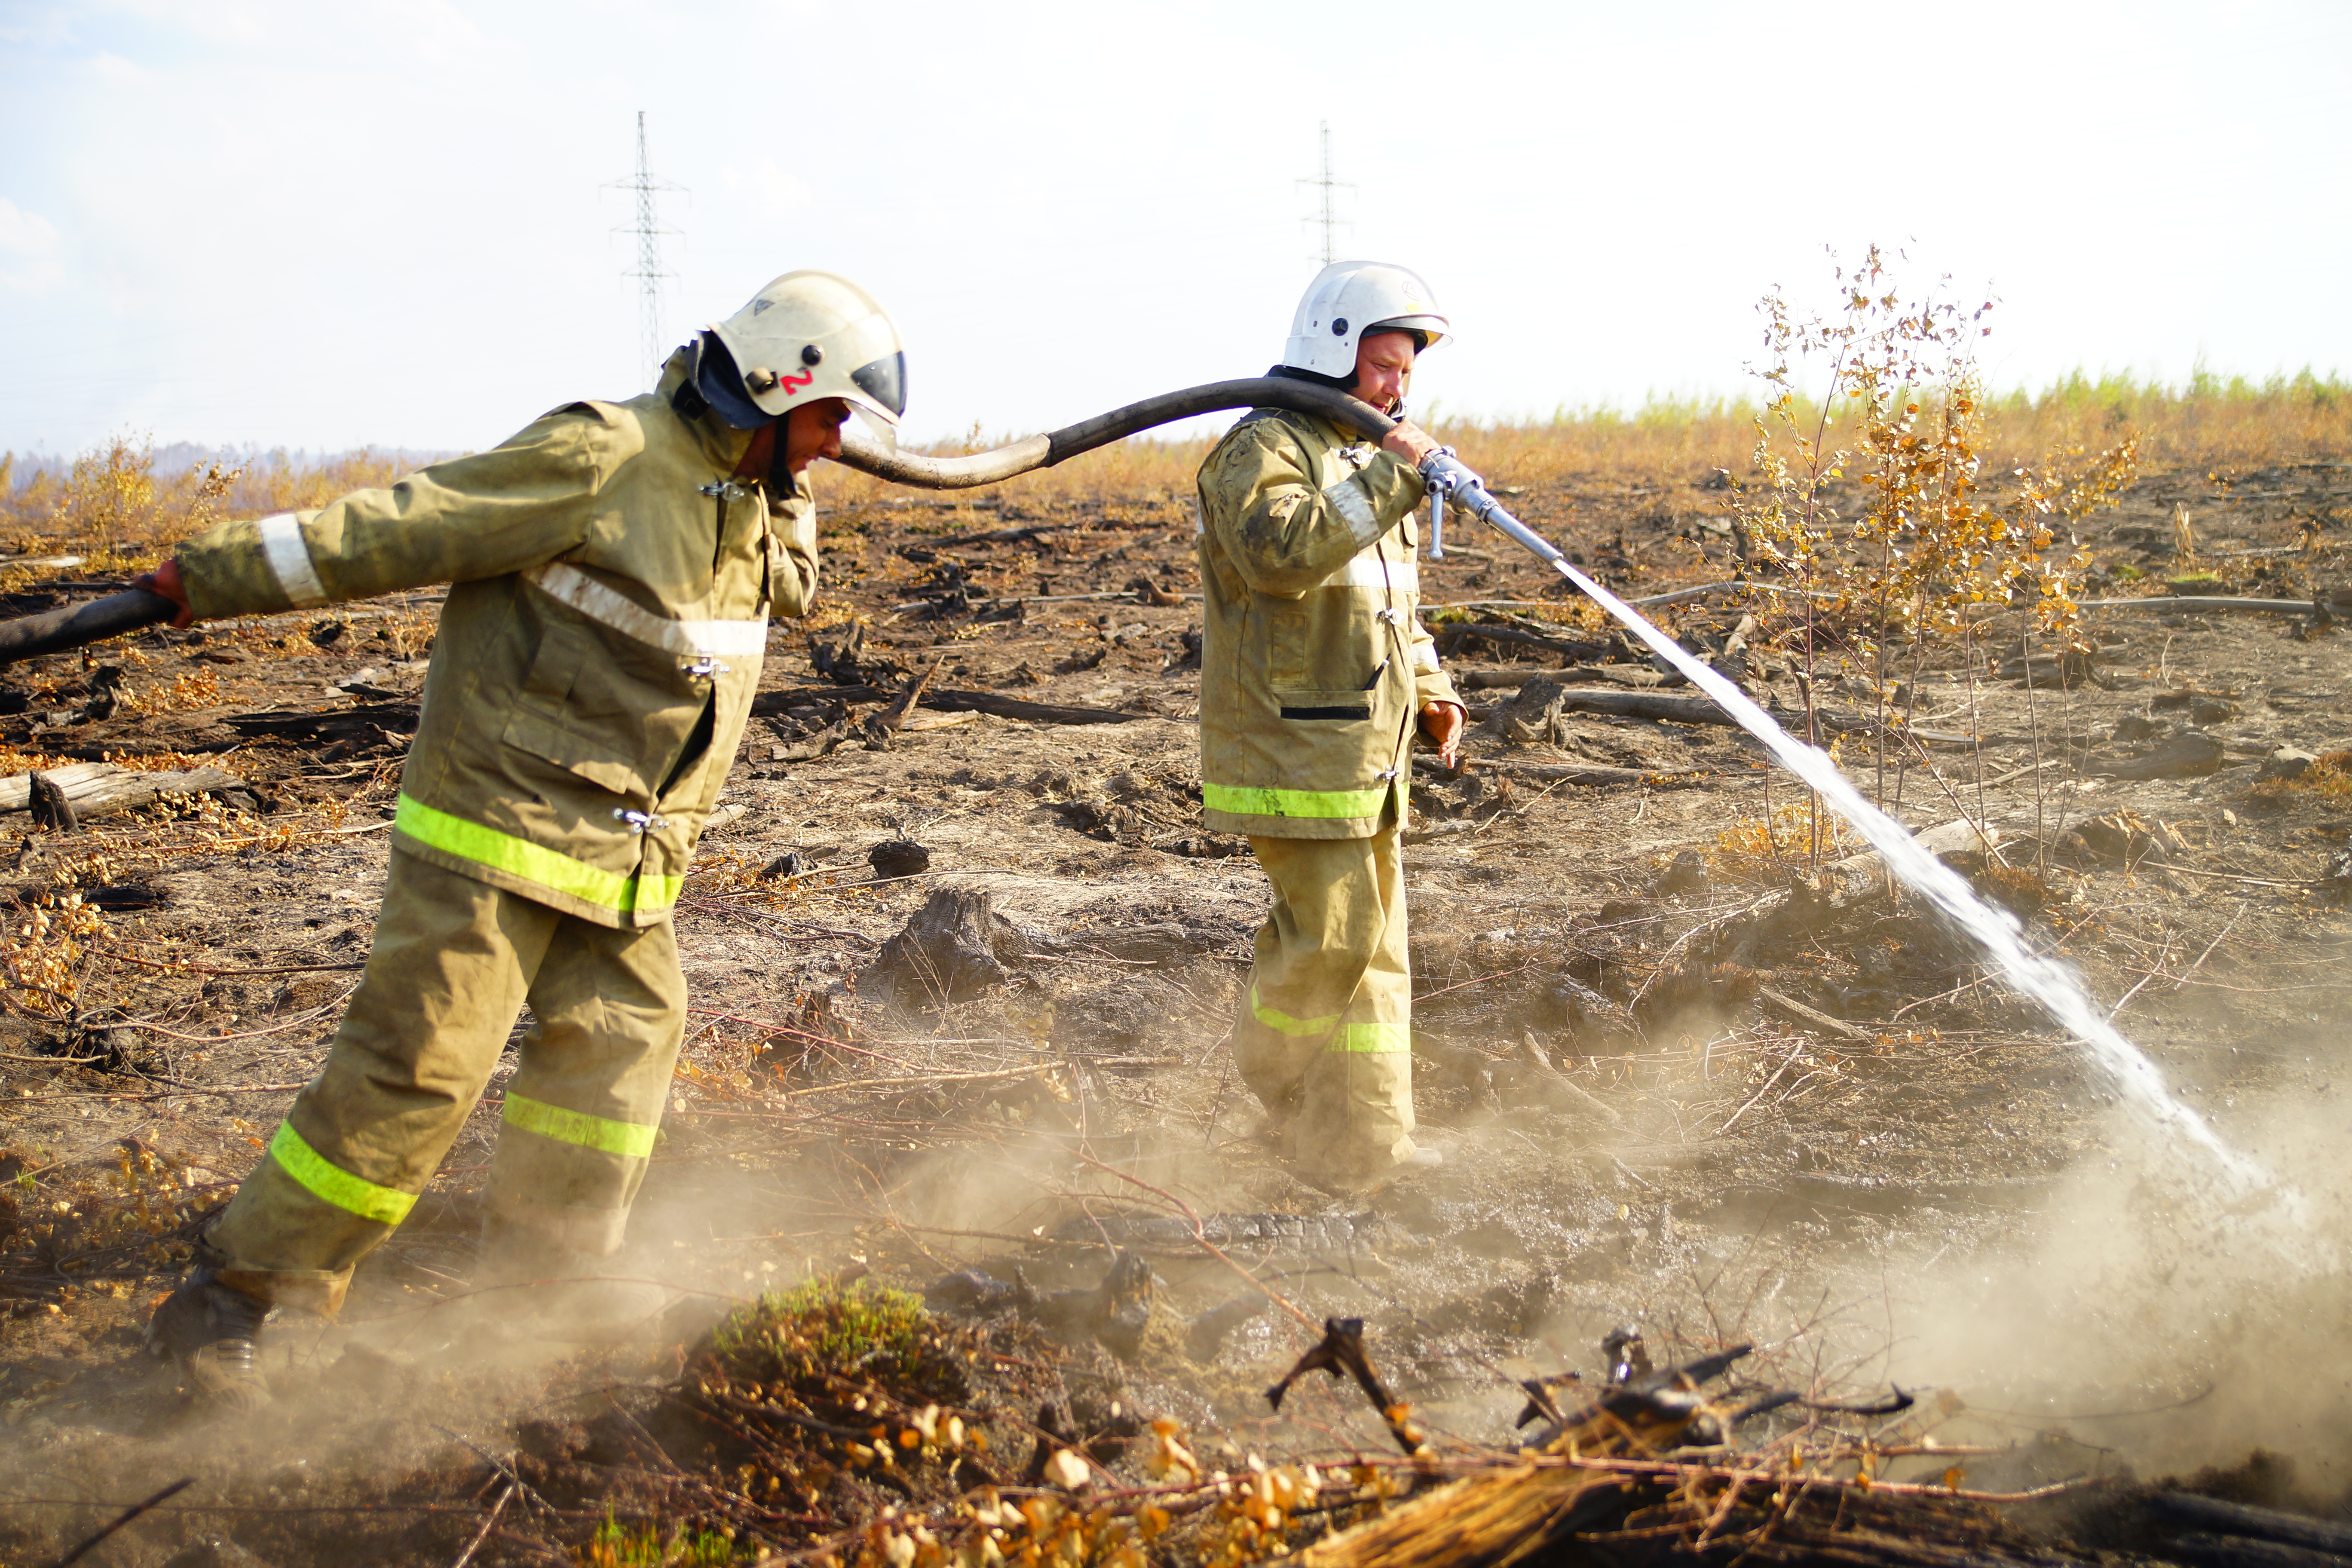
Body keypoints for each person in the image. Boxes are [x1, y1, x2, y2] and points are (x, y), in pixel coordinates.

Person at [137, 271, 906, 1408]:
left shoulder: (739, 494)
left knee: (622, 1046)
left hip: (626, 853)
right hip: (497, 826)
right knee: (420, 1072)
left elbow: (787, 588)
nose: (839, 446)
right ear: (771, 381)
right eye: (830, 415)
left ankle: (543, 1295)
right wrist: (203, 578)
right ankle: (240, 1297)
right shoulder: (601, 456)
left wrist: (783, 477)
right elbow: (398, 526)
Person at [1194, 260, 1467, 1190]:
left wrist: (1432, 688)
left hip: (1368, 753)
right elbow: (1283, 554)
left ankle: (1363, 1151)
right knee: (1336, 943)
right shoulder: (1261, 450)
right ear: (1335, 349)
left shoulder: (1361, 463)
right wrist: (1394, 480)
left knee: (1376, 963)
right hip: (1294, 754)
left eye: (1407, 375)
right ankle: (1272, 1082)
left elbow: (1390, 605)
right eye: (1385, 368)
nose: (1398, 391)